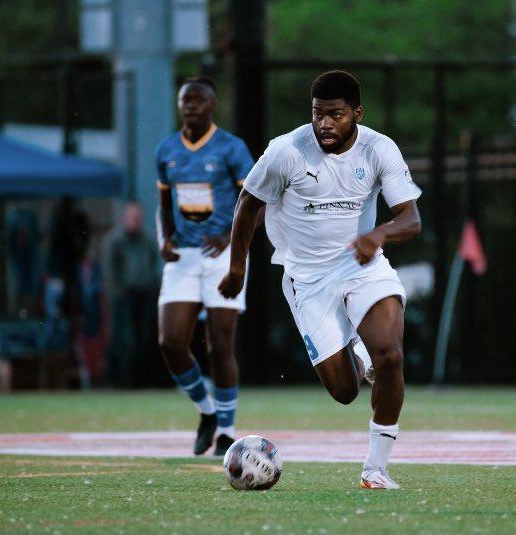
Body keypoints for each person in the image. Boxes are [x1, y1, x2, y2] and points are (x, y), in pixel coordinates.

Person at [219, 70, 422, 489]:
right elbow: (247, 204)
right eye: (318, 114)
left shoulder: (379, 149)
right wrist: (237, 266)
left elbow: (411, 219)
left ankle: (375, 469)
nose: (325, 124)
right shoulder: (286, 151)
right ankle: (359, 355)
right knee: (345, 391)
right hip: (306, 280)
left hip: (361, 265)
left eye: (335, 114)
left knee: (392, 356)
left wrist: (377, 235)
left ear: (357, 113)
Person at [155, 76, 255, 456]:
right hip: (183, 256)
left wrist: (231, 240)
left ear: (213, 104)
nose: (190, 105)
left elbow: (252, 201)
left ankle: (227, 430)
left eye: (198, 99)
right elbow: (164, 203)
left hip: (221, 257)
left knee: (220, 345)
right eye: (185, 100)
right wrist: (163, 239)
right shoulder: (166, 149)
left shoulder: (231, 147)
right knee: (171, 341)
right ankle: (207, 411)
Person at [108, 202, 159, 387]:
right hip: (124, 297)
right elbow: (111, 270)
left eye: (137, 217)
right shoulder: (115, 241)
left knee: (144, 338)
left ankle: (142, 379)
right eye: (131, 217)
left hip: (145, 296)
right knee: (125, 339)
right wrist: (119, 290)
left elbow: (153, 264)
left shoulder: (148, 240)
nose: (134, 221)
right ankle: (123, 380)